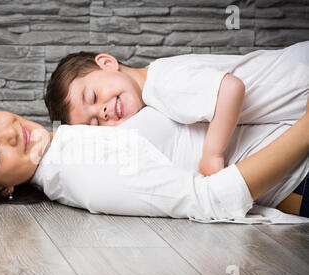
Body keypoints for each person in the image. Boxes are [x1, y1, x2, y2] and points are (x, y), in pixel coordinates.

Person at [0, 100, 309, 224]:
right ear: (2, 188)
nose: (6, 133)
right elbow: (212, 200)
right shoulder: (85, 174)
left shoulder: (67, 139)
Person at [44, 41, 309, 177]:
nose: (102, 113)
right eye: (94, 124)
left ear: (107, 62)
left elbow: (230, 89)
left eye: (93, 96)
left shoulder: (161, 84)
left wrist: (212, 154)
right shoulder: (157, 84)